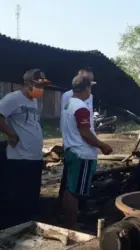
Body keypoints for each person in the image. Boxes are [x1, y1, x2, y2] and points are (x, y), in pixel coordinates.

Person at [0, 69, 51, 228]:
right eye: (39, 85)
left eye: (43, 85)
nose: (41, 89)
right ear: (29, 83)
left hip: (34, 157)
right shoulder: (13, 98)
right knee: (16, 197)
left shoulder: (34, 101)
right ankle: (13, 229)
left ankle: (28, 226)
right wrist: (11, 134)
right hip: (19, 157)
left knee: (31, 196)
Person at [60, 75, 113, 228]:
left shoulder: (68, 104)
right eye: (90, 87)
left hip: (71, 150)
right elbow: (85, 132)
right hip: (82, 154)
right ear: (86, 88)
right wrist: (102, 145)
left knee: (70, 189)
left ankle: (67, 222)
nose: (91, 90)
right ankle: (71, 226)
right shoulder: (81, 107)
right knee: (75, 192)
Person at [58, 67, 96, 212]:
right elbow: (82, 130)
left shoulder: (75, 101)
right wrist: (101, 145)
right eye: (89, 83)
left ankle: (71, 214)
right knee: (74, 187)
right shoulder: (73, 101)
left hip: (77, 145)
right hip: (80, 148)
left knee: (73, 186)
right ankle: (71, 221)